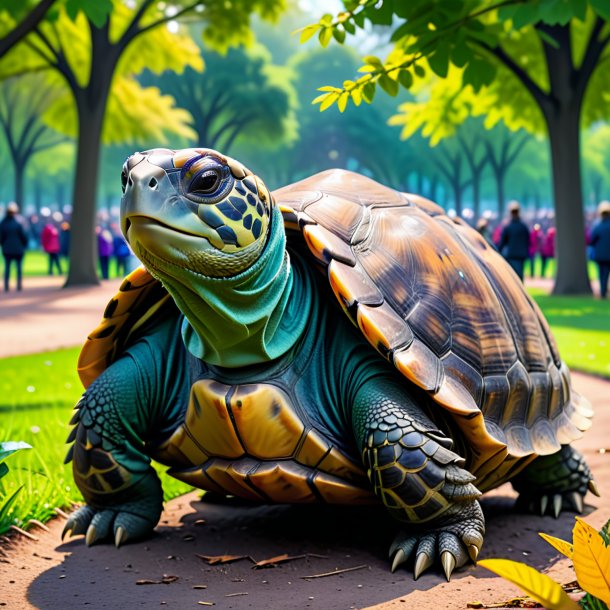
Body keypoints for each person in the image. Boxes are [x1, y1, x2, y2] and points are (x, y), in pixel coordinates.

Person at [498, 201, 530, 281]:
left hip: (512, 254)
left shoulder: (508, 227)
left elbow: (503, 242)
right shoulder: (523, 226)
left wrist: (498, 251)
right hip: (521, 254)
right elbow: (527, 240)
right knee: (519, 275)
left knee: (513, 277)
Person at [0, 202, 28, 291]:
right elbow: (23, 236)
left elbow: (1, 238)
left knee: (7, 268)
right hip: (18, 249)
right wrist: (24, 245)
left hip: (7, 249)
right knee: (19, 268)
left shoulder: (3, 224)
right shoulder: (18, 224)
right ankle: (19, 286)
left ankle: (6, 286)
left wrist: (3, 245)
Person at [590, 201, 610, 299]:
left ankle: (603, 291)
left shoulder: (598, 226)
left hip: (600, 254)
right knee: (605, 273)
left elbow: (592, 240)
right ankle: (604, 291)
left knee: (602, 273)